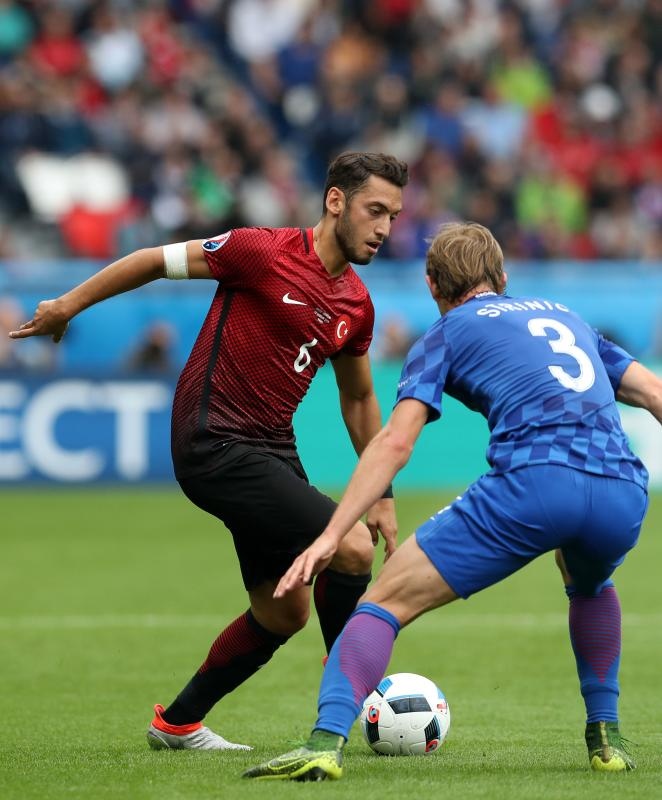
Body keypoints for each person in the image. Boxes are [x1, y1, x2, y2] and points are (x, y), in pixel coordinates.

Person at [9, 151, 408, 751]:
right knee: (349, 547)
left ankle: (177, 722)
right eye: (375, 210)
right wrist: (68, 304)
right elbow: (152, 261)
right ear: (335, 202)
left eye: (394, 217)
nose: (384, 229)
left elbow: (358, 399)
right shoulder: (260, 250)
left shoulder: (356, 304)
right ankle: (352, 701)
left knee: (283, 612)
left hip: (271, 447)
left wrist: (381, 491)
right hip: (213, 439)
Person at [243, 221, 662, 780]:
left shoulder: (447, 331)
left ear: (432, 285)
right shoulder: (565, 316)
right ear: (503, 277)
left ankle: (324, 741)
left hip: (537, 484)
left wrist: (331, 532)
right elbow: (653, 393)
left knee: (383, 602)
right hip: (622, 490)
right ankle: (605, 738)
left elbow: (395, 441)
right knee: (588, 579)